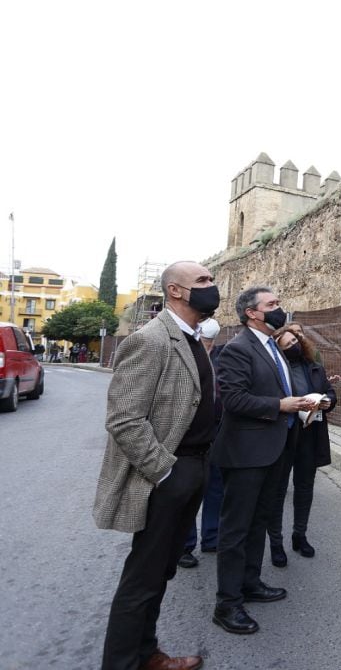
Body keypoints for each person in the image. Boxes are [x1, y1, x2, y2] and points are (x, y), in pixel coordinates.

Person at [94, 260, 220, 670]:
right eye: (202, 280)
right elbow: (124, 419)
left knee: (162, 571)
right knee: (142, 579)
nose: (211, 286)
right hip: (167, 474)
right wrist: (165, 472)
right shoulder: (152, 339)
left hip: (193, 470)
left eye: (211, 280)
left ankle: (146, 654)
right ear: (175, 291)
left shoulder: (191, 338)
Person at [210, 287, 318, 635]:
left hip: (276, 449)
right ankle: (227, 604)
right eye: (272, 305)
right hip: (246, 454)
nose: (279, 309)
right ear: (252, 313)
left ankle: (250, 583)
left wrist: (300, 405)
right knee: (236, 529)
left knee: (259, 522)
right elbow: (235, 400)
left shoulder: (273, 348)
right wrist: (281, 406)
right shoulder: (237, 349)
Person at [266, 324, 337, 566]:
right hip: (283, 436)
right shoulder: (275, 372)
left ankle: (300, 535)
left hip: (309, 434)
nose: (292, 347)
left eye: (294, 342)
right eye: (286, 346)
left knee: (304, 488)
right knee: (277, 491)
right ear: (278, 352)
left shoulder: (314, 367)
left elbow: (329, 392)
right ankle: (276, 543)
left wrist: (327, 402)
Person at [177, 318, 225, 570]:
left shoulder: (221, 356)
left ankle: (212, 537)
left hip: (216, 430)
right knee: (188, 489)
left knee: (215, 486)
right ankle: (184, 546)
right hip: (188, 433)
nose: (206, 346)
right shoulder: (183, 353)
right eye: (203, 341)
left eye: (209, 342)